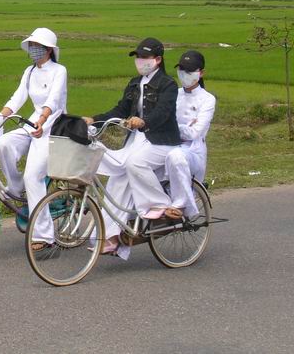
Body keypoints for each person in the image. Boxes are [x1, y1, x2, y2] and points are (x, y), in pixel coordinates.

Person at [83, 37, 181, 255]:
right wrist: (94, 119)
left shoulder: (168, 85)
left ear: (157, 60)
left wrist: (144, 121)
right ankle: (111, 236)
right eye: (138, 57)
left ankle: (161, 205)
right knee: (117, 179)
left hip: (162, 141)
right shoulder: (135, 83)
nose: (140, 61)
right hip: (137, 141)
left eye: (144, 57)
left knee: (134, 163)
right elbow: (120, 110)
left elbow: (163, 113)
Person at [0, 28, 68, 252]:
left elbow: (54, 100)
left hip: (52, 127)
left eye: (38, 46)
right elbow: (17, 97)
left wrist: (43, 120)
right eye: (32, 46)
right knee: (2, 143)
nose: (33, 50)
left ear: (48, 50)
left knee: (33, 176)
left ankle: (44, 236)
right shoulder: (29, 72)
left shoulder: (59, 70)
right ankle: (15, 188)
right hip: (32, 123)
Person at [164, 50, 216, 219]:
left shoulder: (207, 99)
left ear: (201, 73)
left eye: (190, 71)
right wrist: (182, 126)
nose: (184, 74)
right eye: (182, 70)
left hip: (192, 151)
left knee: (175, 156)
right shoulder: (174, 94)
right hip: (169, 143)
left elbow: (194, 133)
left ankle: (181, 205)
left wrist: (174, 126)